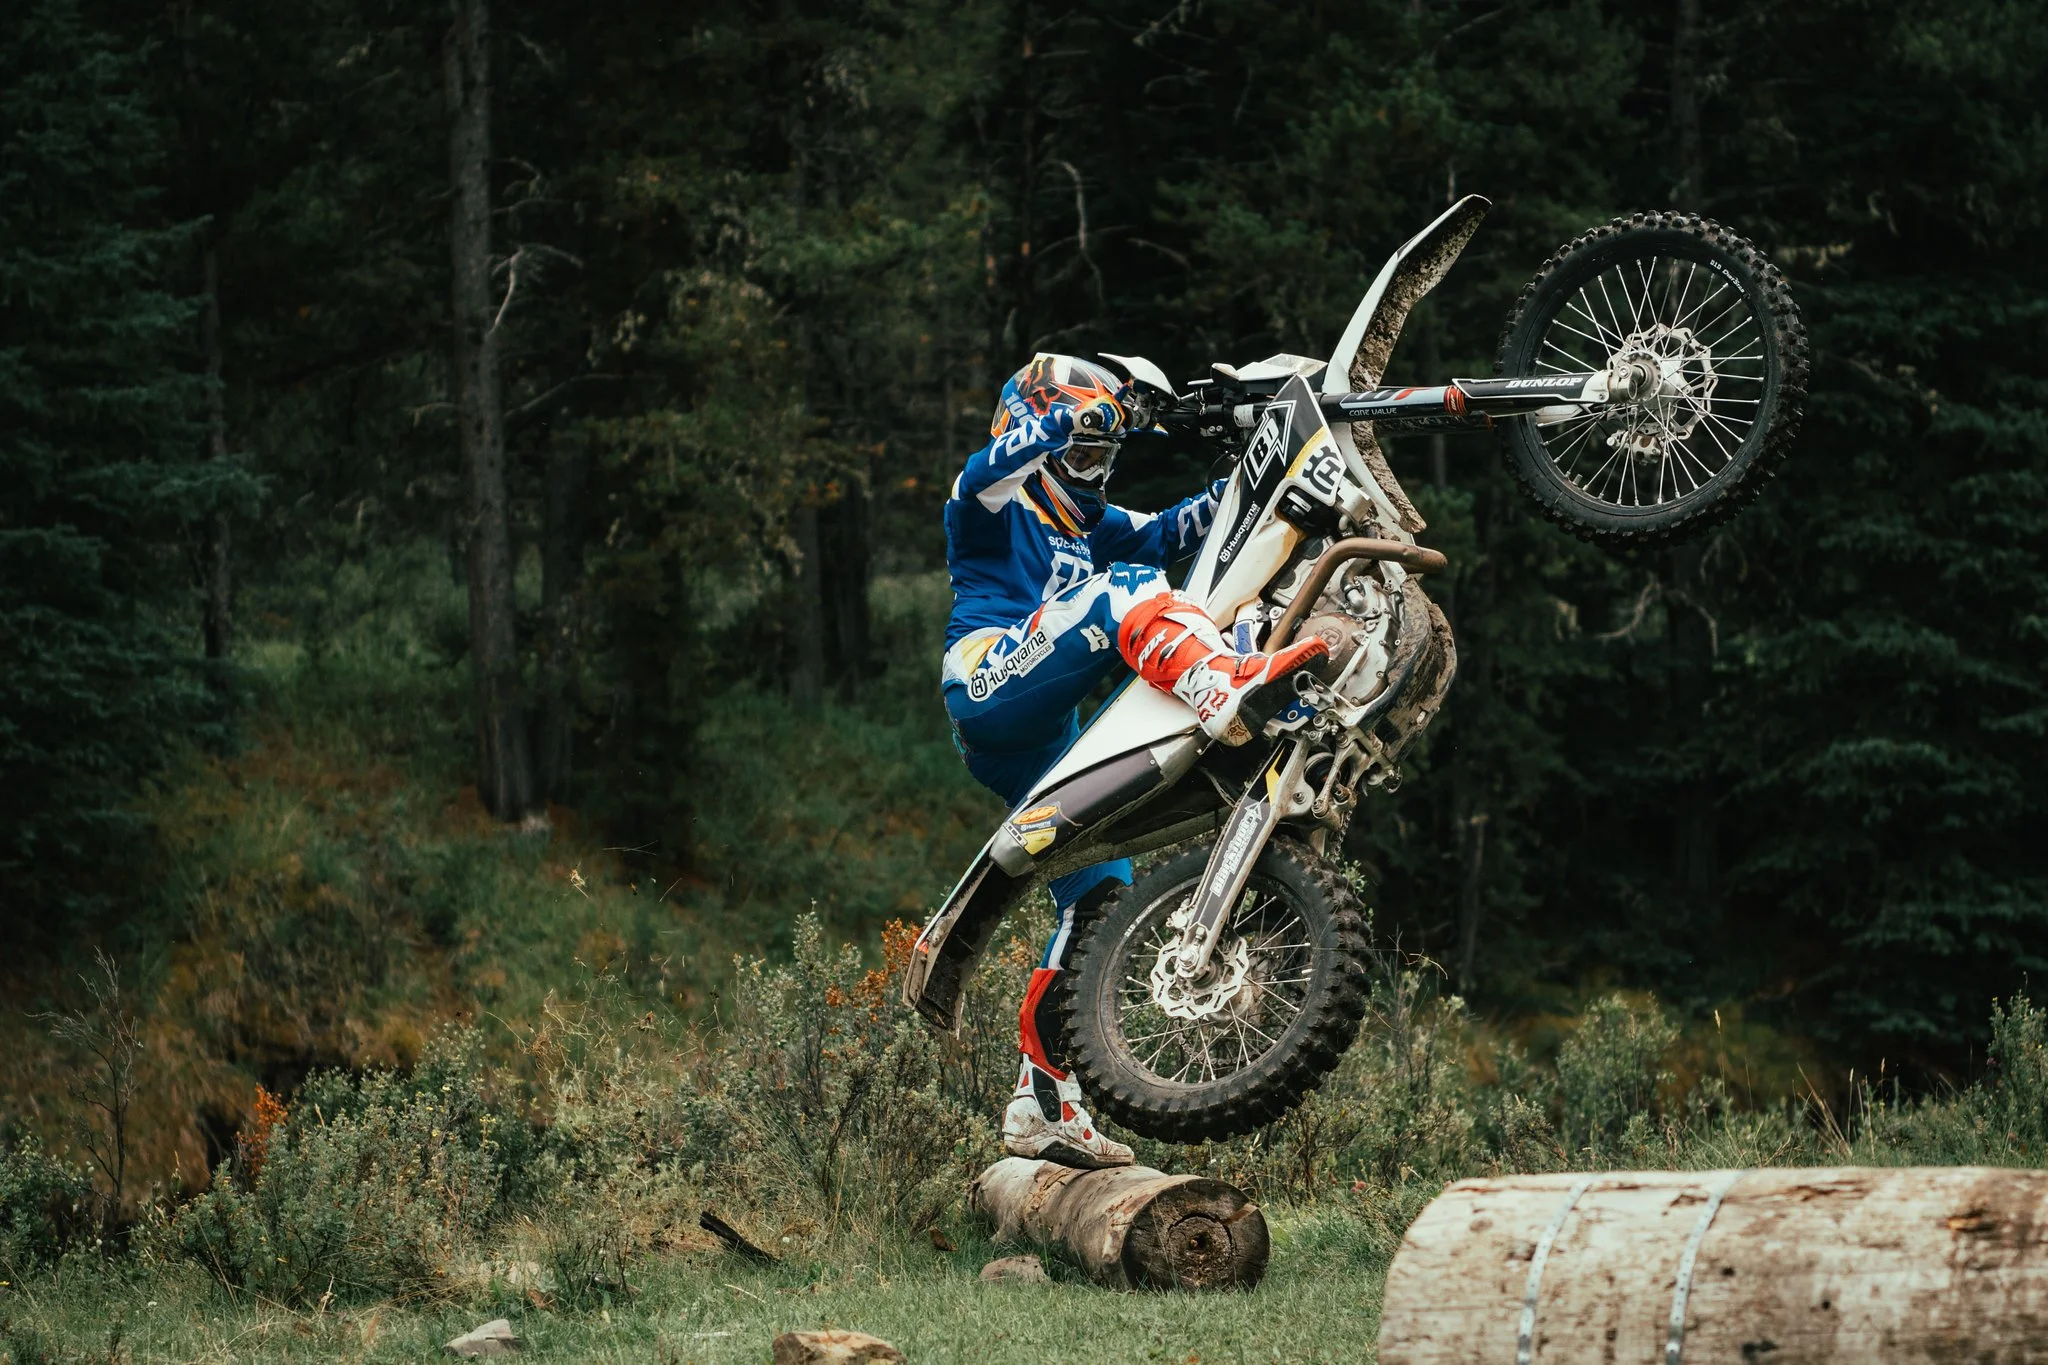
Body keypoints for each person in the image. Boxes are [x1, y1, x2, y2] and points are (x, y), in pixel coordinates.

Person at [942, 353, 1329, 1168]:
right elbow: (987, 470)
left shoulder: (1091, 519)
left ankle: (1043, 1102)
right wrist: (1070, 418)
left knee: (1096, 904)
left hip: (1043, 736)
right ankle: (1218, 685)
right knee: (1125, 588)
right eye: (1081, 452)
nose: (1092, 469)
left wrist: (1260, 458)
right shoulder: (990, 505)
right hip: (986, 684)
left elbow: (1185, 526)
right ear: (1037, 431)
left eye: (1102, 456)